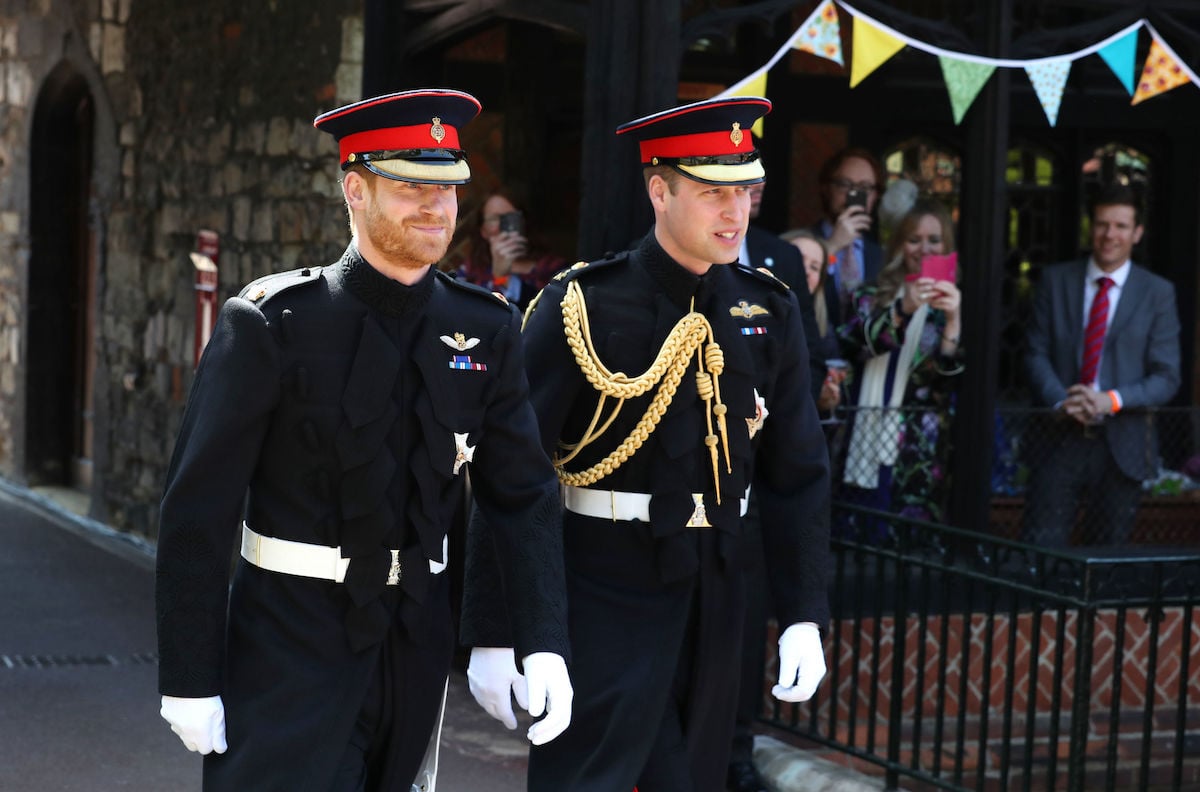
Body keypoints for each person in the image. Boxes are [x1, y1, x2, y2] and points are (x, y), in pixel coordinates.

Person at [154, 89, 573, 792]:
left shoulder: (486, 327)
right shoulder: (273, 324)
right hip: (288, 646)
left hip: (413, 646)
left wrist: (532, 637)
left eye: (447, 189)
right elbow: (198, 510)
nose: (436, 208)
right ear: (355, 188)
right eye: (412, 187)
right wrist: (189, 677)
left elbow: (522, 496)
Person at [461, 96, 831, 792]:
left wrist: (804, 612)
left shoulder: (768, 308)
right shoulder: (583, 305)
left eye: (745, 191)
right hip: (604, 588)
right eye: (712, 193)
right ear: (658, 190)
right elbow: (512, 470)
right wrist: (494, 625)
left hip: (719, 591)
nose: (735, 213)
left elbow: (798, 473)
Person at [1023, 183, 1181, 547]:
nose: (1110, 235)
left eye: (1121, 226)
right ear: (1090, 227)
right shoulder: (1055, 281)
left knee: (1107, 564)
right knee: (1040, 555)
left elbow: (1167, 376)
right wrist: (1063, 401)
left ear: (1137, 233)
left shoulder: (1158, 293)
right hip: (1057, 439)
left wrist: (1109, 400)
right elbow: (1035, 353)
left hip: (1122, 447)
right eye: (1102, 224)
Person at [836, 196, 964, 528]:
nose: (925, 249)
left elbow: (945, 385)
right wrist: (901, 308)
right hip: (860, 436)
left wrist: (952, 325)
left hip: (917, 449)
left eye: (934, 240)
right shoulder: (869, 295)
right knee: (858, 541)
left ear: (947, 245)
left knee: (909, 547)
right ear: (899, 246)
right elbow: (854, 344)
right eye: (914, 240)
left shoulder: (953, 306)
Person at [450, 191, 567, 312]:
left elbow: (551, 312)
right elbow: (461, 311)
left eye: (510, 217)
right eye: (494, 219)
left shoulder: (552, 268)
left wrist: (505, 278)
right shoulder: (470, 271)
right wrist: (500, 276)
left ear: (523, 222)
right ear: (483, 230)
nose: (502, 225)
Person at [815, 147, 885, 312]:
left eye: (865, 187)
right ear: (827, 188)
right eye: (844, 184)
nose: (853, 193)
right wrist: (832, 245)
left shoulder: (881, 256)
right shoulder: (799, 243)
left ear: (875, 196)